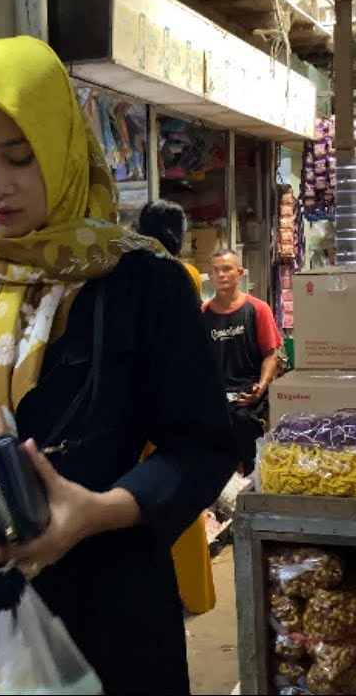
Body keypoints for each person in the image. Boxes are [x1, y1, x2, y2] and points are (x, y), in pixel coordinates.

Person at [0, 36, 236, 695]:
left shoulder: (145, 284)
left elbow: (202, 447)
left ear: (61, 147)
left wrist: (99, 510)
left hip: (107, 613)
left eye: (19, 157)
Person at [135, 199, 216, 615]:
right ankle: (194, 594)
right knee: (182, 499)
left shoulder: (128, 273)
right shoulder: (185, 273)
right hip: (176, 395)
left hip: (140, 400)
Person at [203, 248, 281, 475]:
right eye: (215, 270)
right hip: (216, 398)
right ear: (210, 276)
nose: (221, 275)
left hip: (249, 395)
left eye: (227, 269)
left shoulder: (257, 309)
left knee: (244, 428)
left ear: (239, 273)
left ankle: (252, 486)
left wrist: (261, 387)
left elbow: (270, 354)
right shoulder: (202, 315)